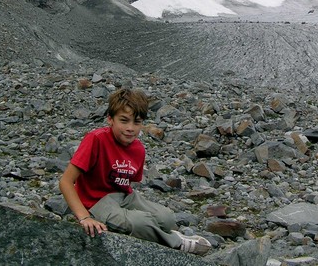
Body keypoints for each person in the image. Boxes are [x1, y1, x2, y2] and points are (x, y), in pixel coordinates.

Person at [59, 88, 211, 255]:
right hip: (94, 202)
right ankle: (176, 243)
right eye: (124, 121)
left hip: (123, 196)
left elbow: (125, 183)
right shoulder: (96, 139)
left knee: (167, 218)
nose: (130, 128)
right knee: (141, 223)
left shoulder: (138, 149)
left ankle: (160, 233)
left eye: (136, 122)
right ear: (110, 119)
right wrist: (84, 217)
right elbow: (65, 182)